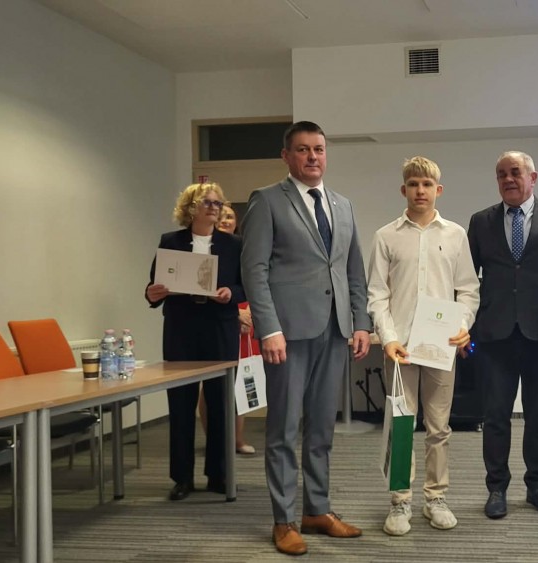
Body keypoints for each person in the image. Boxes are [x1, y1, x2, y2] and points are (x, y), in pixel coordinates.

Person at [240, 121, 372, 556]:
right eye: (302, 149)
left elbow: (353, 270)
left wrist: (361, 322)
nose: (312, 157)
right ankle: (284, 520)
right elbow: (254, 270)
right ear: (286, 156)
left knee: (321, 427)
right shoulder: (267, 201)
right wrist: (268, 328)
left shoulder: (342, 205)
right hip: (288, 334)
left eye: (318, 149)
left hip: (334, 331)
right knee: (283, 428)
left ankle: (317, 509)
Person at [366, 156, 479, 536]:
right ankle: (399, 501)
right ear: (404, 189)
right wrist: (387, 337)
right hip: (400, 348)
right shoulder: (386, 236)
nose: (420, 190)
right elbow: (377, 294)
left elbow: (468, 290)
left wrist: (463, 326)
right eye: (413, 184)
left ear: (438, 190)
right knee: (401, 426)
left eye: (427, 184)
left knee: (439, 427)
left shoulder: (455, 235)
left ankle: (435, 498)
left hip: (441, 347)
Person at [467, 151, 538, 519]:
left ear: (533, 177)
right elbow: (466, 281)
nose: (508, 179)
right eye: (501, 174)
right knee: (495, 416)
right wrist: (465, 329)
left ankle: (536, 486)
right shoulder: (481, 221)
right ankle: (496, 488)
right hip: (495, 337)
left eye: (515, 172)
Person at [145, 182, 244, 501]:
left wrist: (231, 294)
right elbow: (154, 286)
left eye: (218, 203)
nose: (215, 208)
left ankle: (219, 474)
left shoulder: (234, 244)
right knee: (181, 403)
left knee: (220, 403)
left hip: (219, 327)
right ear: (190, 208)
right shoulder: (171, 241)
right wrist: (152, 294)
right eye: (208, 202)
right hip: (181, 329)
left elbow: (246, 285)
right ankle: (182, 478)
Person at [198, 203, 256, 455]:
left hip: (245, 316)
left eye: (230, 216)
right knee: (211, 383)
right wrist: (235, 313)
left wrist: (250, 312)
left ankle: (237, 439)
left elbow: (252, 282)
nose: (225, 220)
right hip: (218, 319)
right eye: (221, 216)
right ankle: (214, 439)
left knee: (241, 381)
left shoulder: (242, 248)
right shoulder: (204, 249)